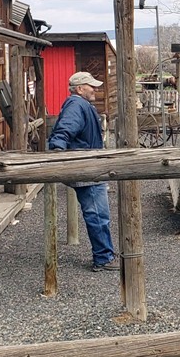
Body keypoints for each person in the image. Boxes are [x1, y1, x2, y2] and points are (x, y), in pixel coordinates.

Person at [48, 72, 119, 272]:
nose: (95, 89)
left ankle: (105, 254)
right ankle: (103, 257)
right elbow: (65, 129)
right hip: (87, 169)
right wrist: (57, 149)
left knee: (98, 214)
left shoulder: (79, 105)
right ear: (80, 89)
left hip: (90, 166)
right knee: (97, 214)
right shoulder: (77, 106)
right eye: (91, 86)